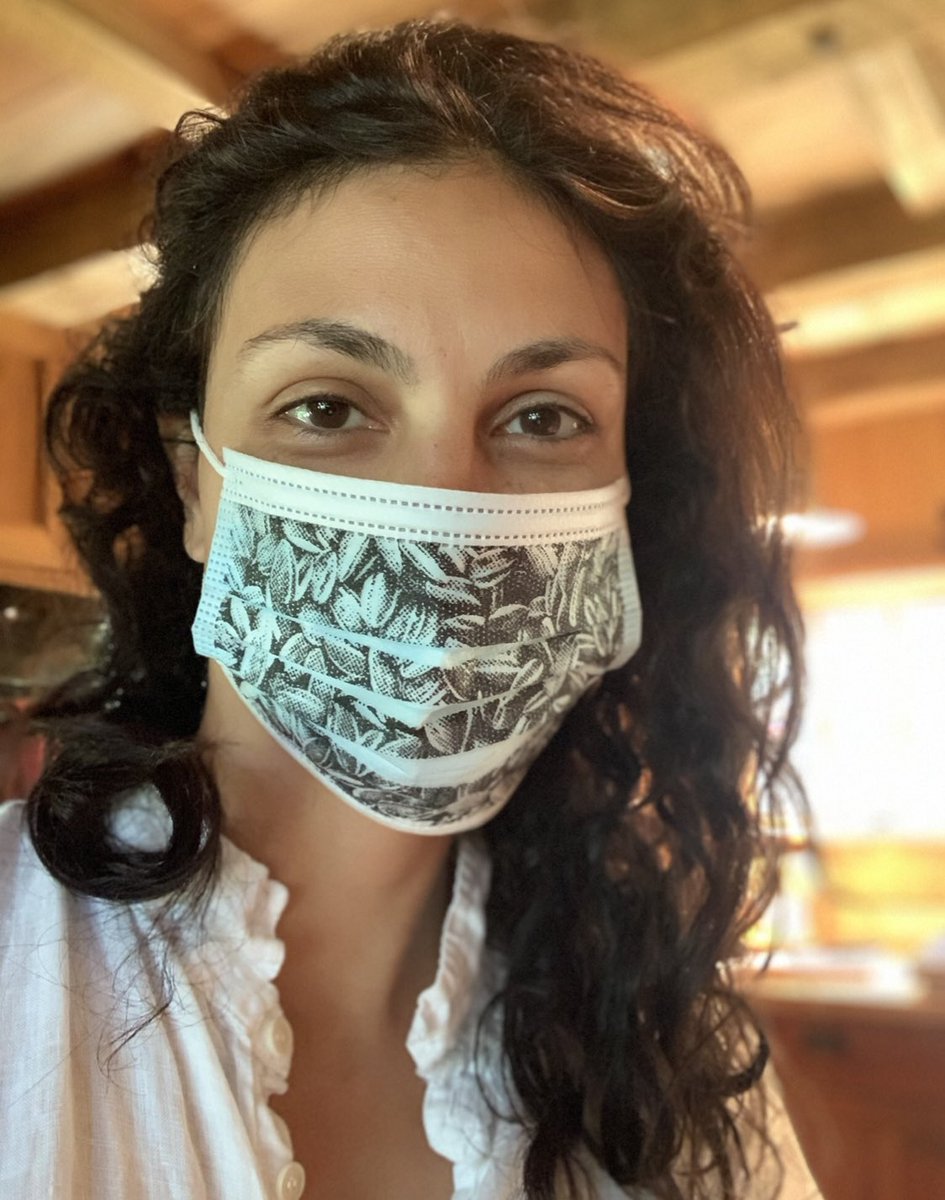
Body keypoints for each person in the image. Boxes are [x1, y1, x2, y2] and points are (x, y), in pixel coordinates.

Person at [0, 19, 821, 1200]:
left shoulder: (668, 1055)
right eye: (327, 407)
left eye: (543, 417)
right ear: (194, 484)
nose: (444, 513)